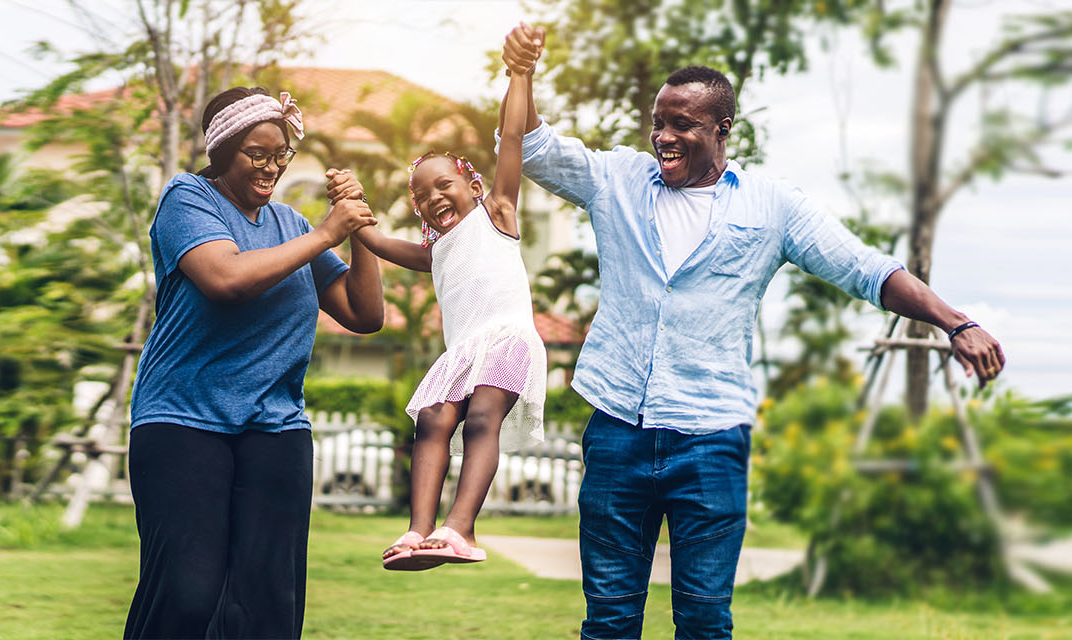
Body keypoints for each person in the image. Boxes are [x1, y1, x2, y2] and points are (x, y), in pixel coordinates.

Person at [500, 25, 1008, 639]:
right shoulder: (617, 181)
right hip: (618, 433)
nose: (663, 137)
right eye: (658, 122)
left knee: (706, 619)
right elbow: (531, 146)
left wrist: (958, 321)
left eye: (681, 124)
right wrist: (521, 73)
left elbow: (866, 269)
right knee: (608, 617)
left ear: (722, 129)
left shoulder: (771, 207)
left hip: (711, 441)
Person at [123, 86, 385, 639]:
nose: (272, 166)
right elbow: (227, 279)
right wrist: (326, 232)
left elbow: (364, 314)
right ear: (222, 151)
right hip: (182, 421)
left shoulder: (290, 225)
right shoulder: (187, 198)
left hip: (277, 427)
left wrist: (359, 230)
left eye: (281, 154)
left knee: (268, 601)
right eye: (257, 154)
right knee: (188, 593)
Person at [348, 63, 547, 572]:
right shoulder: (434, 251)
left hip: (504, 338)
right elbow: (377, 241)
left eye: (443, 184)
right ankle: (420, 530)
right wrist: (351, 209)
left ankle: (460, 527)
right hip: (462, 352)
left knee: (482, 420)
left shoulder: (496, 211)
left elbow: (512, 142)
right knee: (433, 420)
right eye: (421, 195)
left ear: (473, 185)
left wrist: (520, 74)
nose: (433, 197)